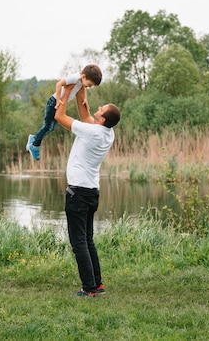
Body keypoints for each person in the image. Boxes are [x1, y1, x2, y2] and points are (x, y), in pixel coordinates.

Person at [54, 85, 121, 297]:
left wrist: (64, 92)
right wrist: (81, 88)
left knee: (79, 242)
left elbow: (59, 116)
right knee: (88, 240)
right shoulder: (107, 133)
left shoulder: (91, 131)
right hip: (91, 192)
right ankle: (97, 284)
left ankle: (89, 288)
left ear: (101, 120)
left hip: (79, 193)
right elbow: (85, 115)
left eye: (101, 109)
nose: (98, 108)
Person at [26, 64, 103, 161]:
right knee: (48, 126)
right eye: (90, 85)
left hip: (58, 103)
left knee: (51, 128)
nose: (89, 87)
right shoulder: (75, 78)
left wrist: (85, 99)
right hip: (53, 102)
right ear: (83, 76)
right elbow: (59, 84)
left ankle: (34, 138)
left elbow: (82, 88)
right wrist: (58, 99)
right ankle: (34, 144)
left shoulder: (81, 80)